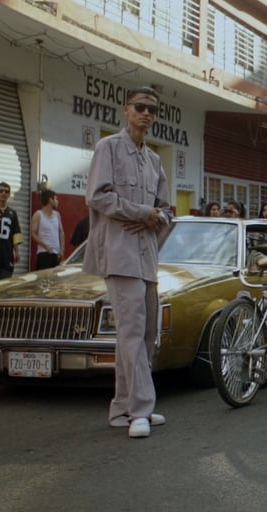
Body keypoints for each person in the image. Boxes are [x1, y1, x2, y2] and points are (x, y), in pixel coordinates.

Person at [83, 86, 172, 439]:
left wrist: (155, 217)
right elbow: (97, 196)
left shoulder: (154, 161)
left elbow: (165, 210)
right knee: (132, 330)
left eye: (152, 109)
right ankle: (141, 410)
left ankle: (122, 407)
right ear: (126, 110)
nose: (146, 113)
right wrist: (141, 212)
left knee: (144, 333)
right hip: (119, 254)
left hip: (147, 255)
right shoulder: (108, 148)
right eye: (140, 107)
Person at [31, 188, 65, 270]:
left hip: (56, 254)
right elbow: (33, 233)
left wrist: (62, 250)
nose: (57, 201)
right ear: (50, 200)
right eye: (55, 199)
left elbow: (61, 232)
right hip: (44, 253)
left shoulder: (57, 215)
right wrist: (45, 245)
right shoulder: (38, 215)